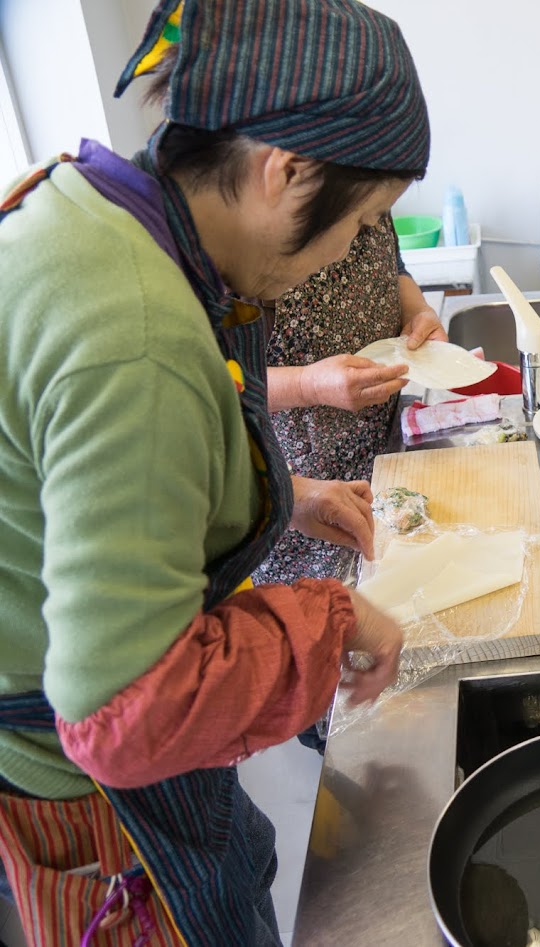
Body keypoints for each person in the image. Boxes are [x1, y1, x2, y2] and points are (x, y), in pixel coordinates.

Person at [0, 0, 428, 942]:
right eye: (359, 221)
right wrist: (334, 616)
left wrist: (290, 497)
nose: (354, 251)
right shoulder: (137, 335)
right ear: (285, 171)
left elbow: (70, 478)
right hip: (100, 803)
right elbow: (125, 711)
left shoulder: (94, 211)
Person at [256, 217, 447, 585]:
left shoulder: (370, 187)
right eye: (360, 215)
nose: (372, 221)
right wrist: (308, 384)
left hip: (384, 452)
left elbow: (394, 267)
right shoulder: (244, 241)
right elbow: (210, 384)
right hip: (298, 493)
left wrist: (417, 310)